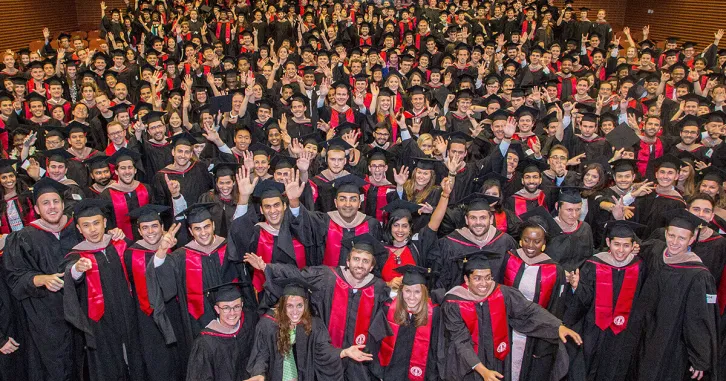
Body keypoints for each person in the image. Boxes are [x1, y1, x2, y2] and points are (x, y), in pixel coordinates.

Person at [246, 233, 390, 381]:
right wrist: (266, 267)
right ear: (348, 261)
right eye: (356, 259)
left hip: (359, 362)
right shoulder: (327, 277)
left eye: (365, 261)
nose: (360, 265)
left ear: (372, 266)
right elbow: (297, 275)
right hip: (324, 356)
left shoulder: (379, 288)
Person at [441, 251, 582, 381]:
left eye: (488, 277)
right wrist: (482, 371)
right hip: (468, 364)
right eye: (477, 278)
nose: (483, 284)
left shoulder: (503, 294)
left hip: (497, 359)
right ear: (466, 280)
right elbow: (460, 341)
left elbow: (529, 311)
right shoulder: (454, 302)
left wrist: (558, 327)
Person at [3, 178, 82, 381]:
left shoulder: (78, 230)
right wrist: (39, 279)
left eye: (56, 201)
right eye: (45, 203)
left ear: (63, 205)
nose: (52, 207)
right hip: (46, 317)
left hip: (83, 313)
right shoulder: (23, 238)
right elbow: (14, 278)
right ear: (37, 209)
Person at [62, 199, 144, 381]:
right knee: (107, 365)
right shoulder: (77, 255)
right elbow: (71, 275)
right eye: (86, 225)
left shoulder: (120, 244)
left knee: (136, 360)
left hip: (130, 315)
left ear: (105, 223)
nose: (93, 229)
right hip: (99, 323)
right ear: (79, 228)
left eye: (96, 223)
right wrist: (77, 269)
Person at [632, 209, 719, 380]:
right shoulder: (656, 251)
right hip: (642, 334)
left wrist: (699, 358)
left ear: (692, 239)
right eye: (671, 235)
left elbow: (699, 319)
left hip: (671, 343)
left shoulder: (698, 275)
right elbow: (638, 248)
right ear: (665, 233)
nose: (674, 242)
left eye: (682, 238)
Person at [563, 220, 647, 381]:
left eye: (626, 245)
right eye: (616, 244)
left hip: (624, 331)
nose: (621, 250)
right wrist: (576, 287)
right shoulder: (594, 263)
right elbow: (584, 299)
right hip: (593, 328)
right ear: (608, 242)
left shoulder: (639, 266)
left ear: (633, 246)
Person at [245, 277, 373, 381]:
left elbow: (323, 350)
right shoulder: (268, 324)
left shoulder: (314, 324)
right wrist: (259, 373)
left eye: (299, 305)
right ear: (282, 306)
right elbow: (262, 353)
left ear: (305, 305)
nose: (295, 311)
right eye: (290, 306)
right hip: (276, 375)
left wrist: (344, 352)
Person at [499, 218, 569, 380]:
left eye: (537, 241)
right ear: (520, 239)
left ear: (544, 243)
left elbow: (555, 308)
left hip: (534, 332)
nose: (530, 246)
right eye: (526, 240)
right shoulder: (509, 258)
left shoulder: (553, 270)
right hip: (506, 328)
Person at [124, 205, 184, 381]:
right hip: (146, 316)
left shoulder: (175, 249)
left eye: (154, 226)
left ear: (162, 227)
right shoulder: (131, 254)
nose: (151, 231)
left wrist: (166, 250)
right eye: (145, 227)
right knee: (157, 360)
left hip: (173, 310)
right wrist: (162, 251)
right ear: (139, 231)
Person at [369, 265, 443, 380]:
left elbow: (437, 350)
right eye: (407, 291)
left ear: (424, 293)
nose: (412, 297)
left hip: (422, 376)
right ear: (401, 291)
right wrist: (379, 374)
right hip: (390, 375)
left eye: (417, 292)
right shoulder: (388, 310)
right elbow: (373, 343)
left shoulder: (434, 314)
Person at [186, 281, 259, 381]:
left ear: (242, 305)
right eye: (226, 308)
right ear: (217, 309)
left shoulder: (249, 323)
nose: (232, 313)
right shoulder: (205, 343)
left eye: (236, 307)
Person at [100, 148, 153, 239]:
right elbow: (106, 221)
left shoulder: (146, 189)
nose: (127, 172)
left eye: (130, 167)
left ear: (135, 170)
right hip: (120, 243)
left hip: (147, 241)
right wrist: (110, 231)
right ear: (116, 171)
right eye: (123, 168)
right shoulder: (107, 194)